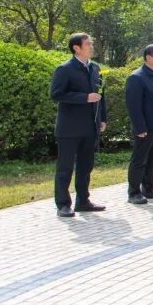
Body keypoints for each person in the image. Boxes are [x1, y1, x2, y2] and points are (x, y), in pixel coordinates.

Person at [49, 32, 108, 217]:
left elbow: (101, 95)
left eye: (91, 43)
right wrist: (84, 98)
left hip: (90, 127)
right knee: (65, 168)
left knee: (85, 166)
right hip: (69, 128)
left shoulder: (95, 68)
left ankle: (83, 201)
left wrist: (102, 119)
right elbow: (56, 94)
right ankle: (63, 204)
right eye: (88, 44)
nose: (91, 47)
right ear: (76, 48)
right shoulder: (64, 69)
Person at [124, 43, 153, 205]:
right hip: (145, 127)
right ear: (148, 58)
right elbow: (133, 106)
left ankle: (149, 188)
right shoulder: (136, 77)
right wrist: (139, 127)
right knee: (140, 159)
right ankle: (134, 192)